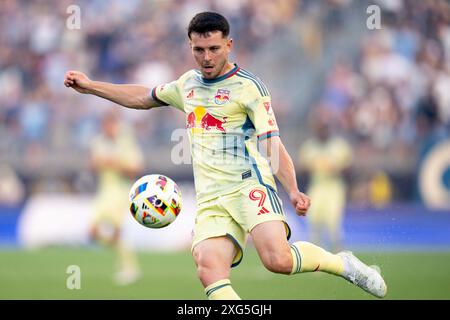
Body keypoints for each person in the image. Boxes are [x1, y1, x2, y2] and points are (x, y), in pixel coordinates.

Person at [64, 12, 387, 299]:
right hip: (210, 197)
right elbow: (142, 97)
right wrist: (92, 86)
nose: (205, 57)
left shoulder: (250, 88)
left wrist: (292, 189)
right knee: (209, 269)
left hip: (249, 185)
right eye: (198, 49)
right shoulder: (186, 84)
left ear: (229, 45)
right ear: (190, 47)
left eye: (213, 49)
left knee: (278, 260)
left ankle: (342, 264)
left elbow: (272, 142)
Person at [89, 110, 144, 285]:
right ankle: (127, 264)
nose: (108, 129)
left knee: (115, 230)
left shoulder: (126, 143)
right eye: (105, 125)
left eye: (111, 125)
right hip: (104, 191)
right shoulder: (98, 142)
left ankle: (129, 268)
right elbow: (93, 164)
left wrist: (116, 163)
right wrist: (101, 163)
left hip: (121, 191)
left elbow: (135, 169)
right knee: (93, 232)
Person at [299, 111, 353, 253]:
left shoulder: (339, 146)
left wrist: (337, 170)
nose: (323, 131)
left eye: (325, 127)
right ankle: (314, 255)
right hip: (317, 185)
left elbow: (349, 170)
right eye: (320, 128)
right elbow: (302, 171)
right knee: (313, 220)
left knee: (333, 221)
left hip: (334, 186)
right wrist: (309, 168)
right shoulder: (309, 146)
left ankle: (340, 254)